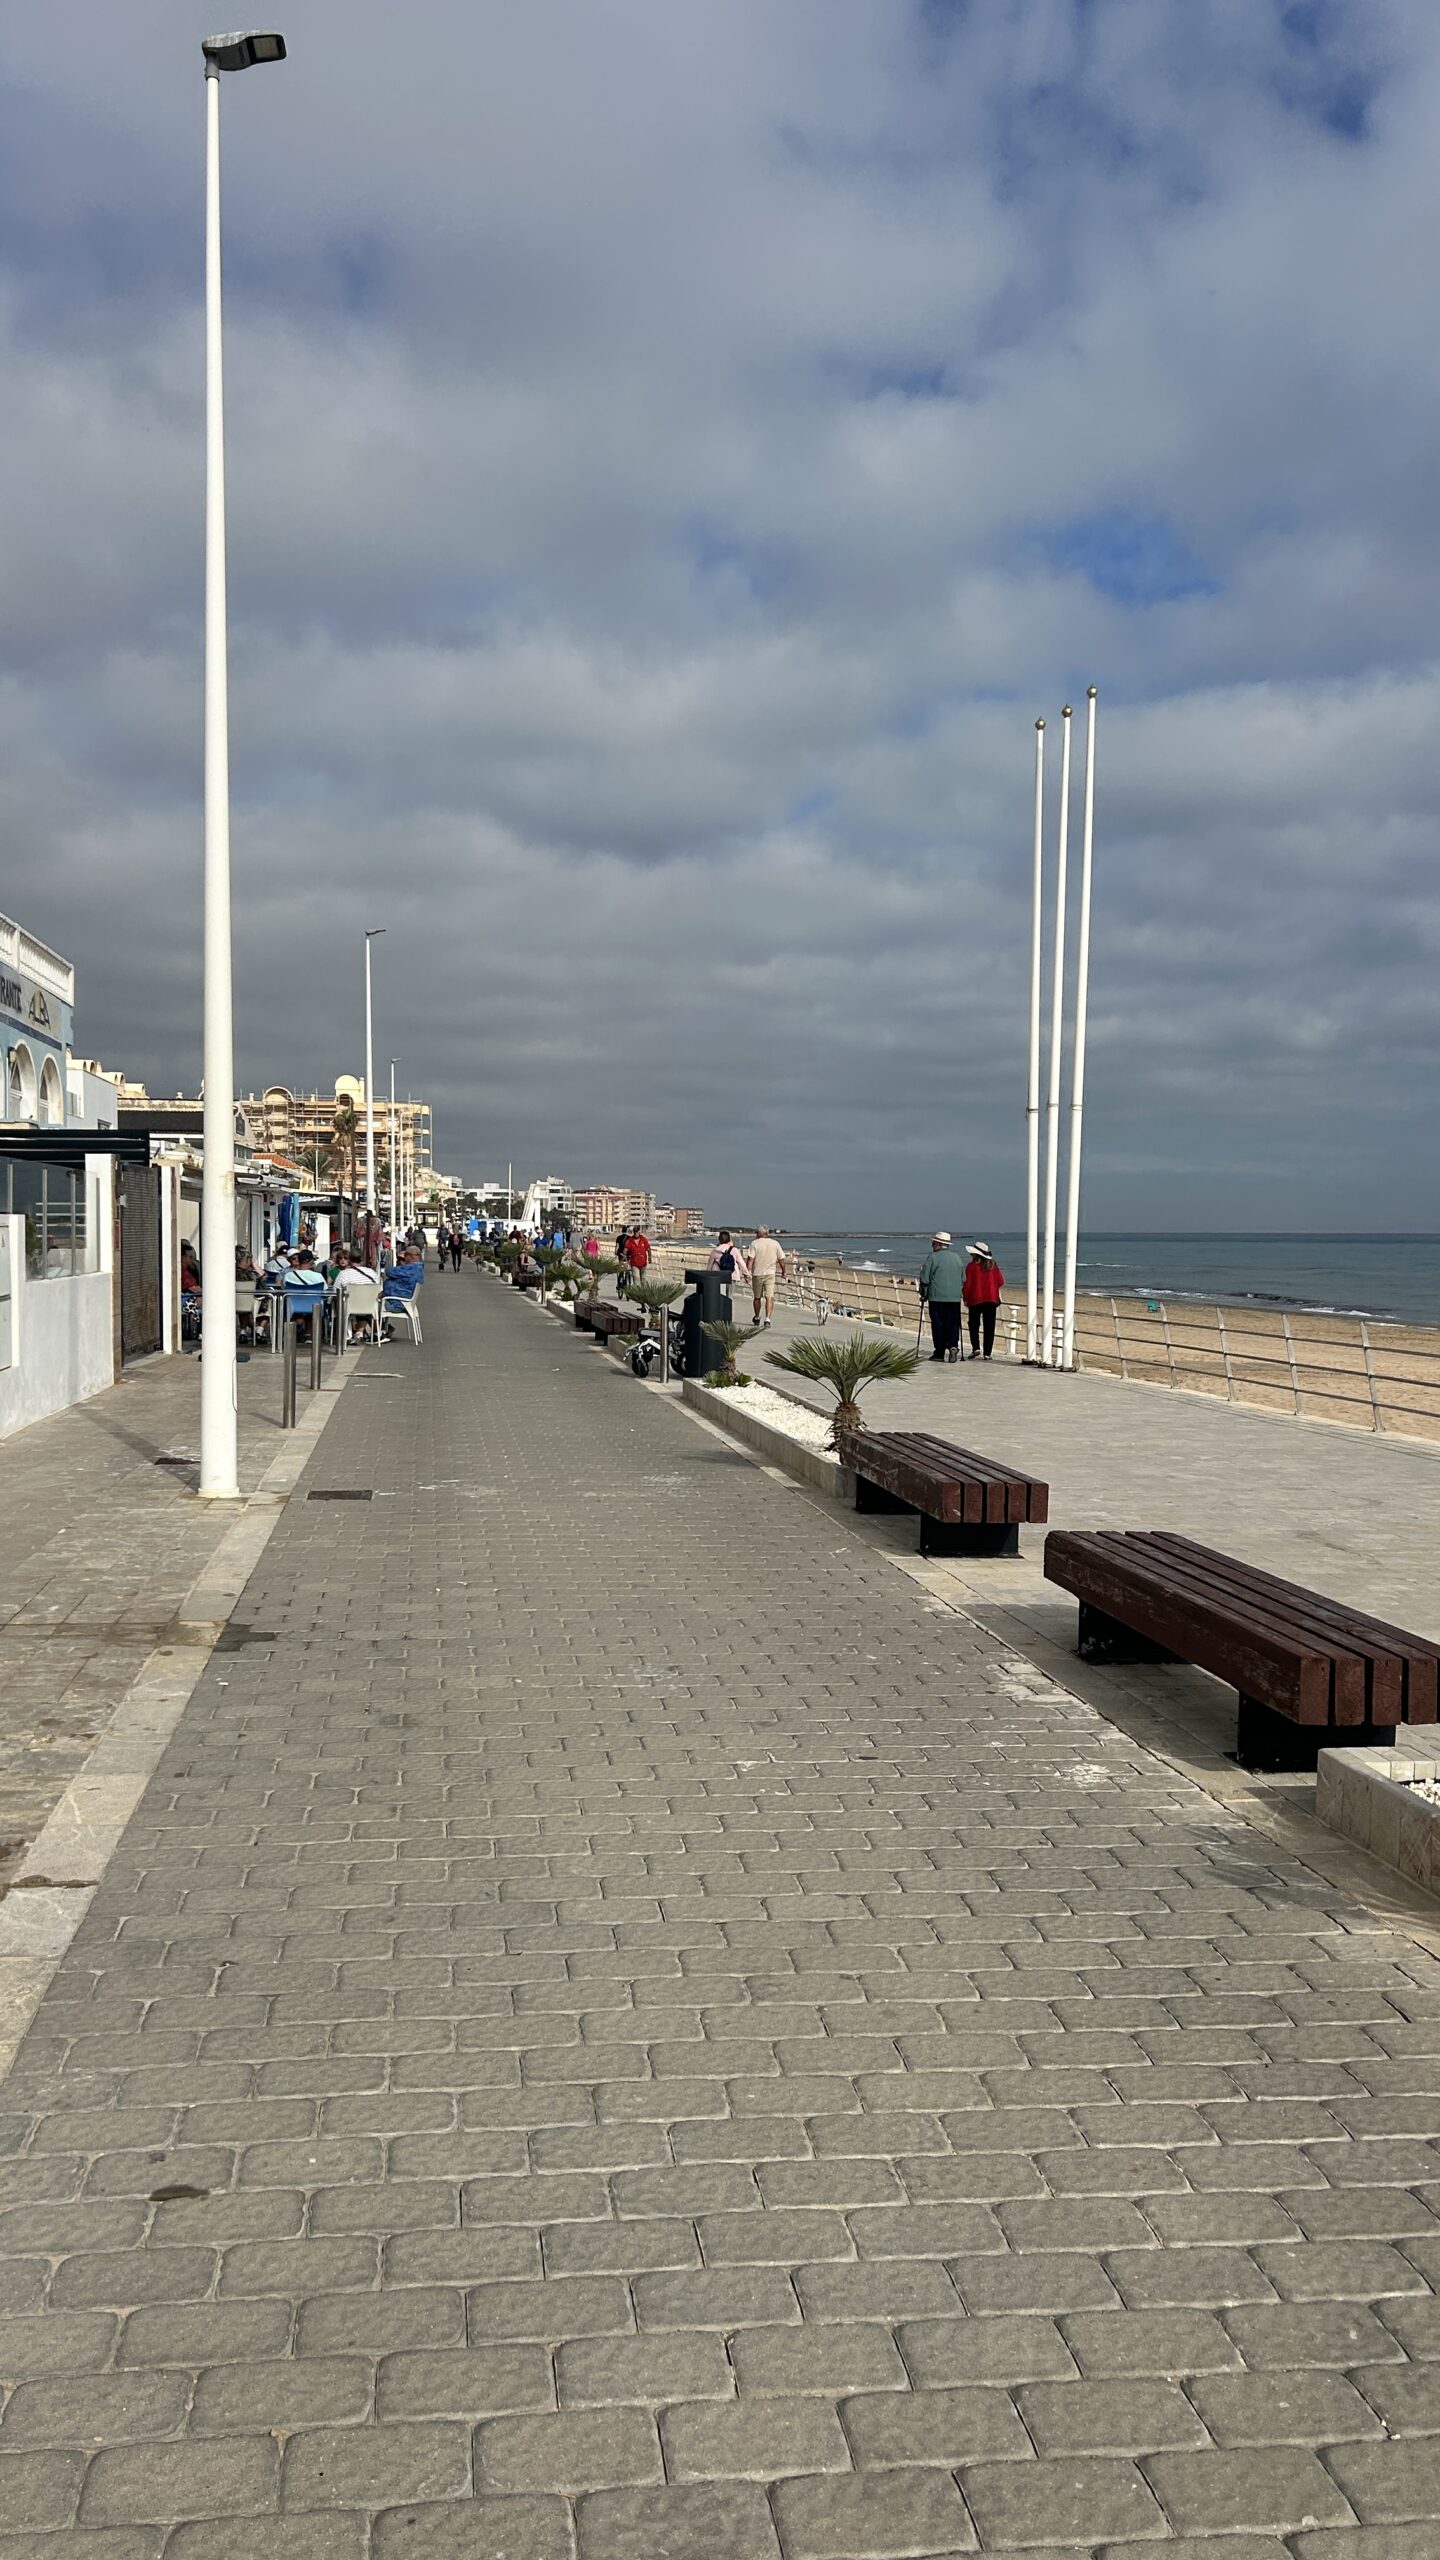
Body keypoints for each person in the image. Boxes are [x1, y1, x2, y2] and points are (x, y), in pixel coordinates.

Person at [917, 1230, 965, 1363]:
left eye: (933, 1243)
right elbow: (963, 1278)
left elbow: (925, 1278)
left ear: (938, 1244)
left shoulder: (933, 1257)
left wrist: (923, 1292)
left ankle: (939, 1352)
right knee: (953, 1323)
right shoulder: (957, 1257)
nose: (932, 1245)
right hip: (954, 1297)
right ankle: (953, 1345)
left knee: (938, 1324)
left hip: (937, 1296)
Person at [963, 1241, 1005, 1361]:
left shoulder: (971, 1267)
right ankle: (987, 1353)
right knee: (989, 1326)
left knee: (973, 1324)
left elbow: (967, 1285)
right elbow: (1001, 1281)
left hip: (975, 1299)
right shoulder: (993, 1265)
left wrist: (965, 1298)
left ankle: (976, 1347)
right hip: (991, 1299)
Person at [748, 1226, 787, 1326]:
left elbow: (750, 1259)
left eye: (757, 1232)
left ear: (761, 1233)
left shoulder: (754, 1243)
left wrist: (747, 1271)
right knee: (769, 1297)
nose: (756, 1234)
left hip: (757, 1273)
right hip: (770, 1273)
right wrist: (784, 1272)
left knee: (757, 1297)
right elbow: (782, 1259)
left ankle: (757, 1317)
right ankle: (767, 1319)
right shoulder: (775, 1243)